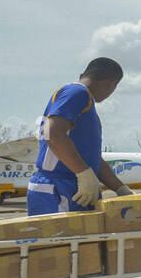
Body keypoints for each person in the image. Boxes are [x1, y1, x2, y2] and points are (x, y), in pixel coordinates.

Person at [28, 58, 134, 214]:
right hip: (59, 188)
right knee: (62, 239)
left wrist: (121, 189)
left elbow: (94, 160)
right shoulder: (77, 93)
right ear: (111, 84)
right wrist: (83, 173)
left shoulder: (85, 103)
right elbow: (53, 133)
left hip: (74, 188)